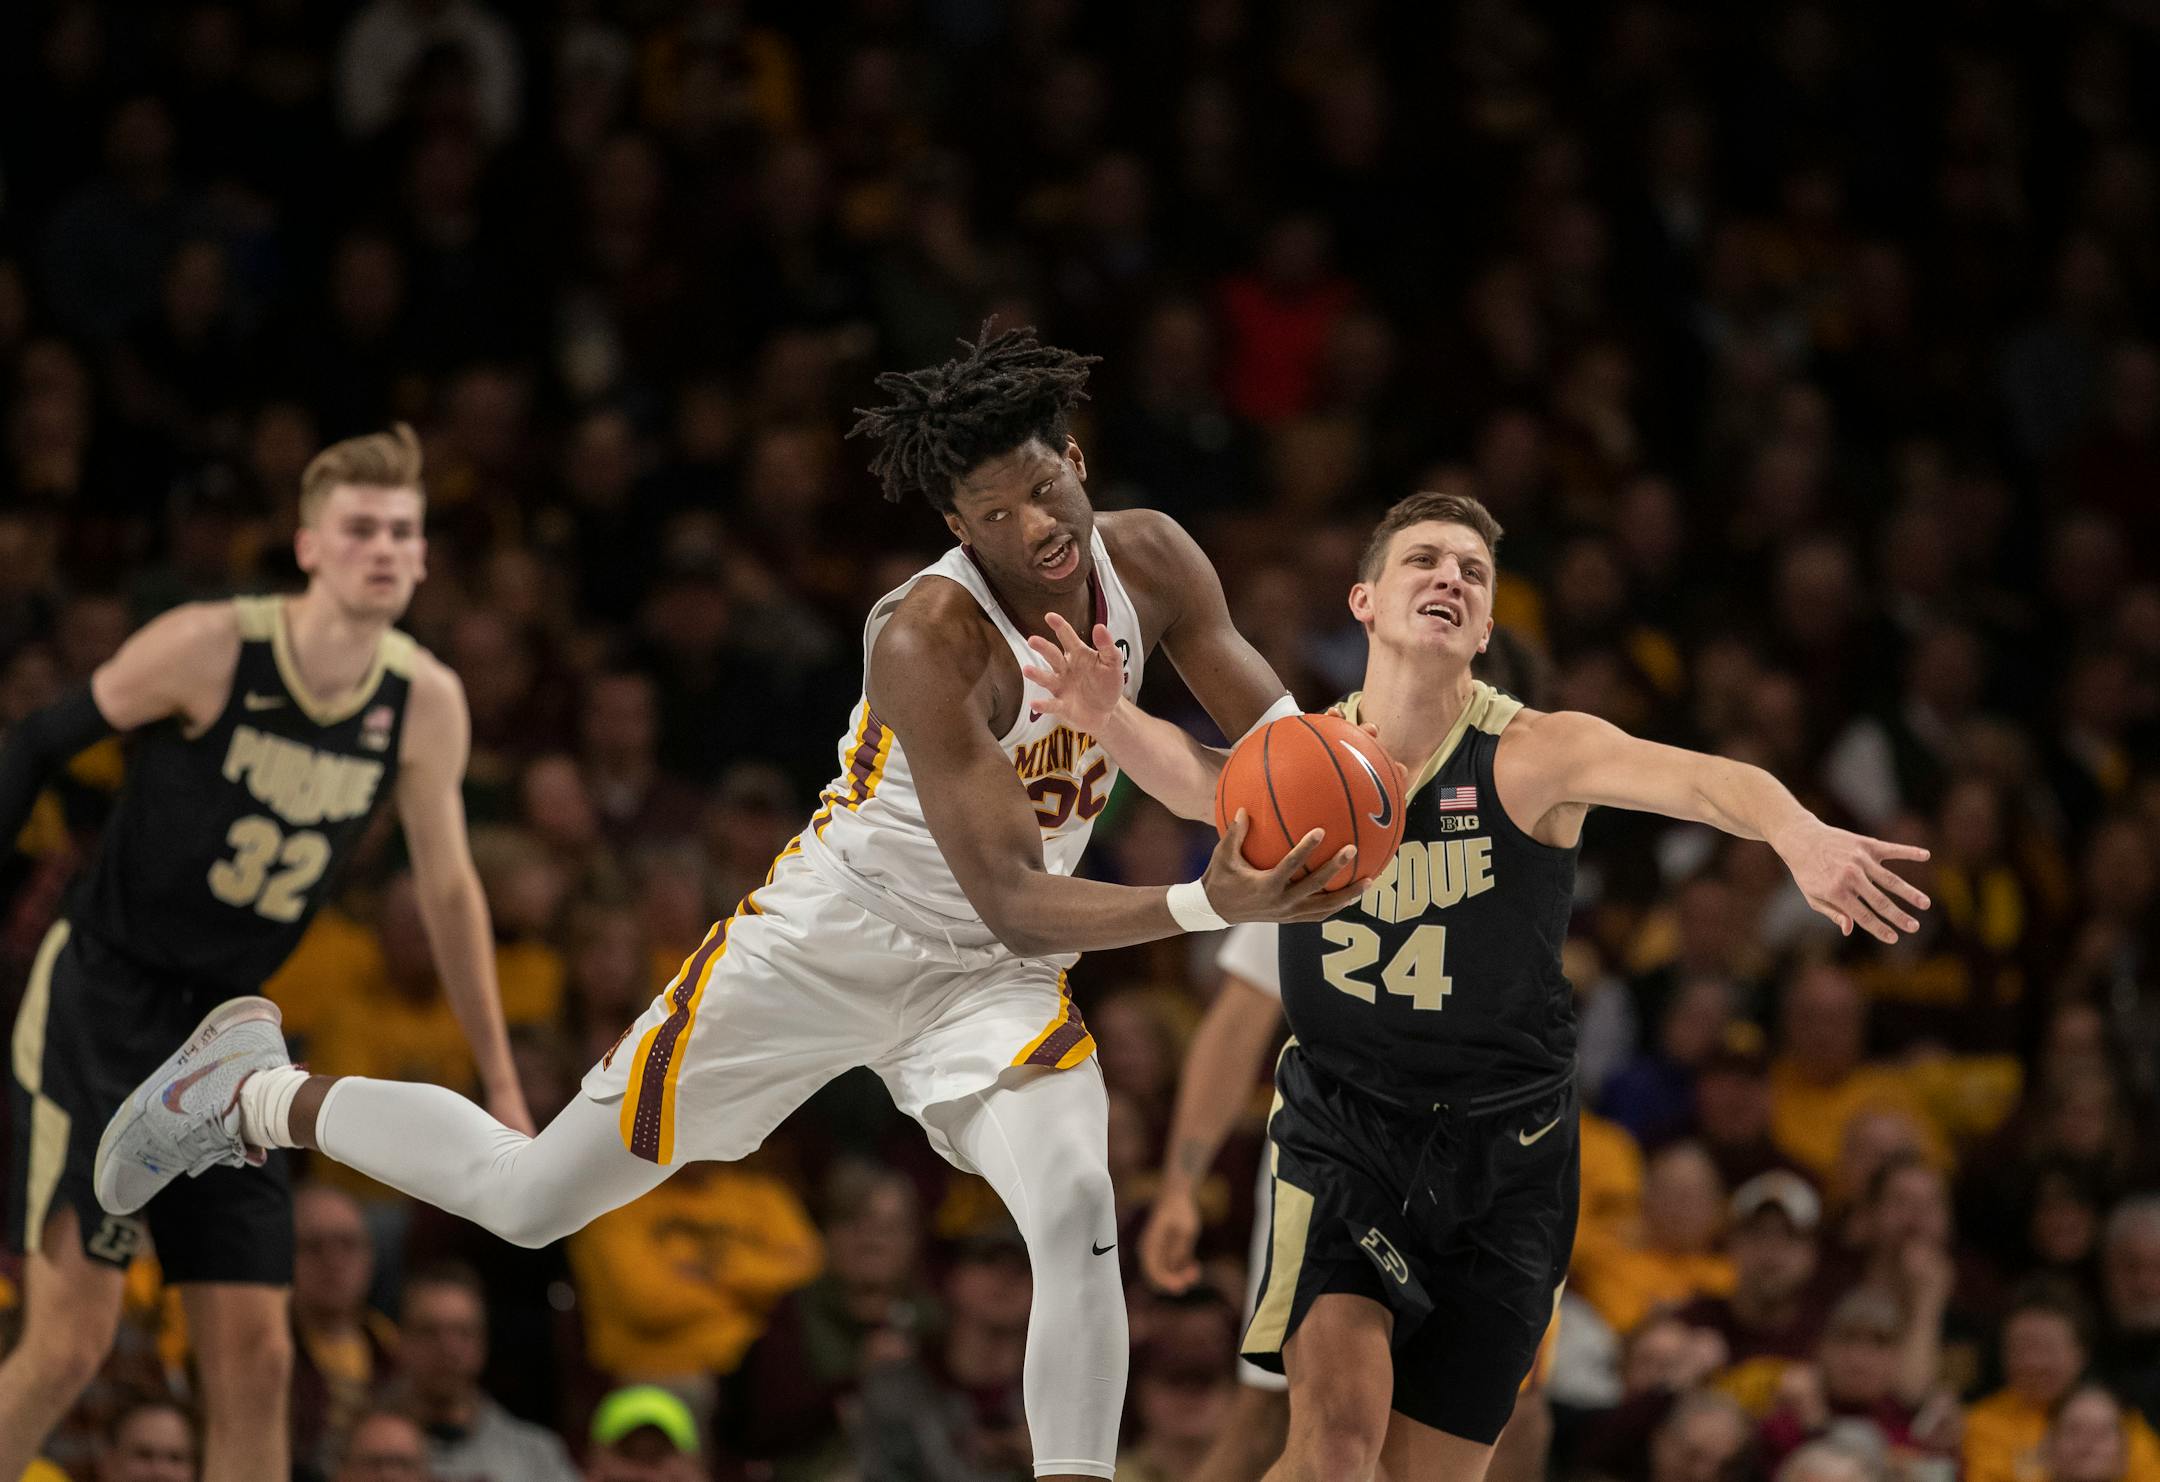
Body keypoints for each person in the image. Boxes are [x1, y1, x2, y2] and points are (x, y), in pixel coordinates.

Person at [102, 326, 1359, 1482]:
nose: (1034, 522)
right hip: (833, 943)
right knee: (534, 1200)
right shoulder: (929, 638)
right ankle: (249, 1090)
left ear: (1076, 462)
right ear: (958, 526)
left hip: (985, 985)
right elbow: (1019, 897)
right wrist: (1209, 900)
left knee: (1078, 1205)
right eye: (995, 510)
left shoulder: (1152, 558)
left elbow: (1279, 746)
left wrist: (1360, 806)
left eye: (1045, 487)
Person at [1024, 489, 1931, 1482]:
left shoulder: (1536, 755)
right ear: (1363, 602)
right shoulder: (1307, 755)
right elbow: (1201, 776)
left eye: (1472, 570)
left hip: (1509, 1157)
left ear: (1489, 625)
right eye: (1423, 560)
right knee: (1332, 1445)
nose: (1449, 576)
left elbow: (1710, 779)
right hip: (1348, 1131)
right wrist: (1108, 715)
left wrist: (1797, 833)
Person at [0, 424, 531, 1482]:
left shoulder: (424, 702)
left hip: (230, 1032)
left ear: (424, 558)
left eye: (402, 532)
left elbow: (450, 887)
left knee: (257, 1357)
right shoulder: (210, 645)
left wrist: (504, 1079)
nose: (384, 546)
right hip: (104, 997)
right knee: (68, 1345)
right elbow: (35, 744)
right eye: (360, 528)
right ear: (307, 546)